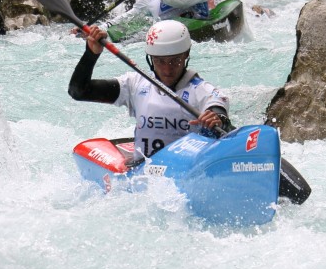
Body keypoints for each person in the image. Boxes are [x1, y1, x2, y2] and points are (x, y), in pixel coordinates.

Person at [68, 19, 233, 162]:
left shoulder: (203, 91)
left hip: (185, 170)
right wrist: (91, 54)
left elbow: (222, 119)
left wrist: (218, 120)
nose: (167, 70)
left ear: (186, 55)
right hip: (143, 171)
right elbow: (79, 91)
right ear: (150, 59)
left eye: (175, 60)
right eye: (160, 61)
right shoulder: (134, 84)